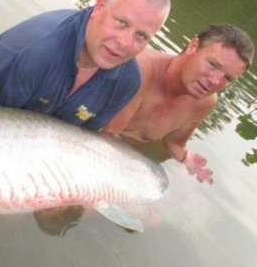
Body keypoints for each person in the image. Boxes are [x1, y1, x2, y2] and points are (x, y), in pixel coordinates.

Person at [0, 0, 171, 130]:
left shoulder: (127, 82)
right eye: (121, 23)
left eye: (141, 36)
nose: (125, 43)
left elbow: (84, 140)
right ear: (100, 6)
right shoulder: (35, 50)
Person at [103, 24, 255, 185]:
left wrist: (186, 161)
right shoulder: (140, 71)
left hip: (124, 158)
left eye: (228, 78)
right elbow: (106, 137)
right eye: (213, 65)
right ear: (193, 46)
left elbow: (174, 142)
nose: (215, 81)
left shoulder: (204, 102)